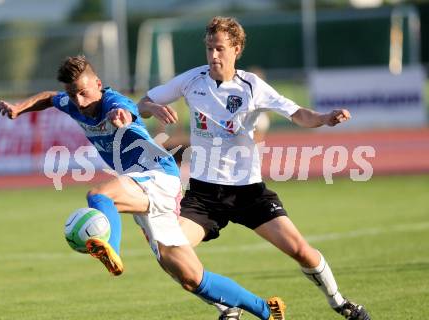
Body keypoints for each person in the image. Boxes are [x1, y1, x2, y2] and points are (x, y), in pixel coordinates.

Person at [0, 55, 286, 320]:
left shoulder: (112, 102)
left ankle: (110, 248)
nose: (80, 101)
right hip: (140, 183)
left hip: (157, 173)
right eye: (74, 95)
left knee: (99, 195)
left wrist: (122, 117)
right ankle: (266, 310)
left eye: (84, 92)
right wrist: (18, 108)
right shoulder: (73, 103)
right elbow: (50, 97)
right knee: (190, 277)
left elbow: (128, 111)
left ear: (98, 83)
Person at [137, 16, 371, 320]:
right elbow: (141, 103)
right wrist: (151, 107)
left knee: (301, 250)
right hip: (204, 196)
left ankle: (340, 302)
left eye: (220, 48)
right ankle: (226, 306)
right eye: (209, 48)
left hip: (249, 193)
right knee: (172, 257)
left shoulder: (251, 86)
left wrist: (324, 118)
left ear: (236, 49)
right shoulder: (192, 80)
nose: (213, 56)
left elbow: (297, 113)